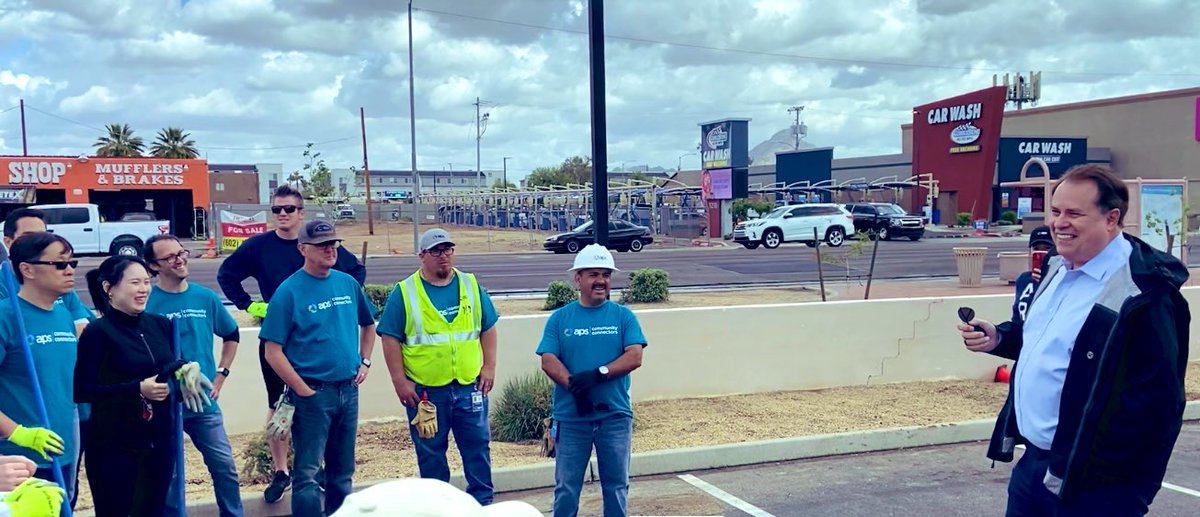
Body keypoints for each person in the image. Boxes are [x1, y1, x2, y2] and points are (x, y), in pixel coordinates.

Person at [957, 165, 1189, 516]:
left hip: (1098, 487)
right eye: (1055, 211)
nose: (1059, 223)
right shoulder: (1056, 267)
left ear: (1111, 218)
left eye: (1074, 214)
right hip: (1034, 467)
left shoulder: (1145, 294)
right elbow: (1050, 341)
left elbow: (1160, 404)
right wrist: (1000, 337)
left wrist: (1122, 487)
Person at [216, 185, 366, 502]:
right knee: (279, 405)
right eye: (276, 209)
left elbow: (355, 272)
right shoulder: (258, 247)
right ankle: (281, 470)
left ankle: (318, 468)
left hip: (315, 342)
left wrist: (337, 306)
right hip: (279, 341)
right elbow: (226, 275)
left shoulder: (322, 246)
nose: (282, 214)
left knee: (321, 423)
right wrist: (248, 304)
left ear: (301, 213)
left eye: (288, 209)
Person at [76, 256, 211, 517]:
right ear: (108, 288)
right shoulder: (97, 332)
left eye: (147, 282)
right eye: (135, 283)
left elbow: (168, 367)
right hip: (115, 445)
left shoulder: (161, 325)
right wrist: (137, 389)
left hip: (159, 441)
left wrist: (184, 373)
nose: (143, 289)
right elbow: (83, 390)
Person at [260, 220, 376, 517]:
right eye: (322, 245)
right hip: (313, 395)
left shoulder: (347, 283)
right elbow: (272, 351)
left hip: (348, 390)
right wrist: (302, 390)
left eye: (333, 244)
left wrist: (364, 361)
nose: (330, 249)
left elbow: (368, 325)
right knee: (308, 474)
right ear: (302, 249)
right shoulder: (288, 292)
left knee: (342, 472)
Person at [378, 228, 500, 505]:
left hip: (469, 387)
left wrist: (489, 367)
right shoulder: (405, 292)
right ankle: (437, 508)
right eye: (435, 251)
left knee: (478, 450)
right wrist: (399, 381)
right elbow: (390, 338)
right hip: (426, 394)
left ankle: (483, 505)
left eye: (447, 249)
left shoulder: (470, 285)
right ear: (422, 255)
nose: (443, 256)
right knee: (431, 456)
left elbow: (488, 327)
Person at [537, 244, 647, 517]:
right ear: (578, 279)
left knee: (616, 486)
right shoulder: (560, 318)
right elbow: (548, 359)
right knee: (567, 488)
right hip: (571, 418)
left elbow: (634, 356)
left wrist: (598, 374)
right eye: (593, 274)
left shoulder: (623, 317)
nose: (601, 281)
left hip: (614, 417)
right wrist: (576, 388)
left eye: (606, 275)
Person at [143, 234, 244, 517]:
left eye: (181, 253)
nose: (179, 260)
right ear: (154, 266)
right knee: (170, 476)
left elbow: (231, 334)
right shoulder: (148, 302)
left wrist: (221, 374)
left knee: (224, 467)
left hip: (202, 402)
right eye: (169, 257)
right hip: (163, 404)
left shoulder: (205, 297)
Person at [0, 233, 80, 502]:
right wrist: (18, 433)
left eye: (72, 263)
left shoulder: (63, 315)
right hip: (15, 462)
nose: (69, 270)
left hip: (59, 451)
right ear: (27, 269)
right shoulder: (5, 317)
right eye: (60, 264)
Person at [1010, 225, 1056, 324]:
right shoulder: (1023, 279)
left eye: (1047, 248)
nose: (1041, 252)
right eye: (1036, 248)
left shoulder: (1062, 279)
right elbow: (1016, 319)